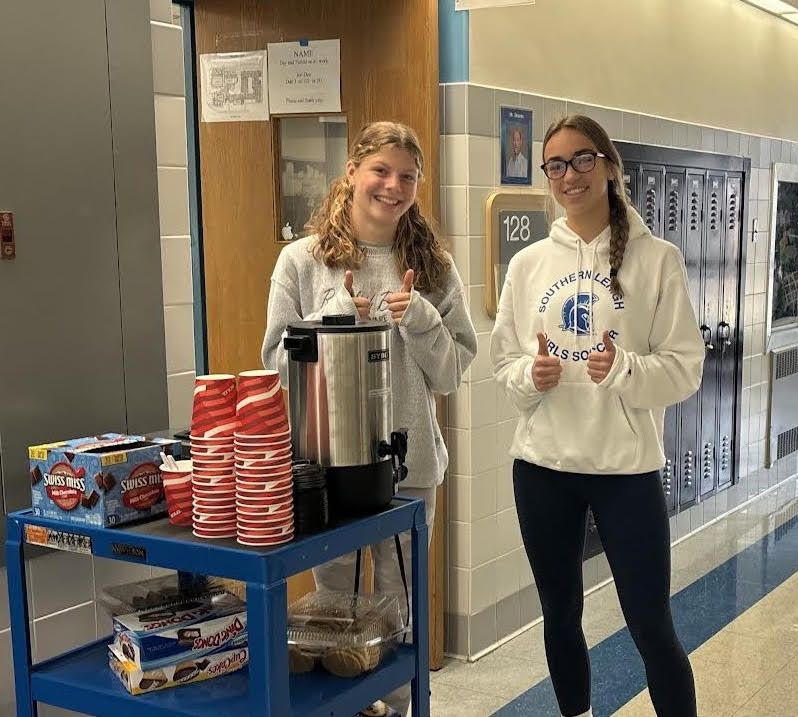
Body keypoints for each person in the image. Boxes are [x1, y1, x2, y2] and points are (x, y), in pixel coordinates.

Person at [490, 114, 703, 717]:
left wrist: (627, 369)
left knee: (650, 621)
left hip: (626, 470)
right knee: (560, 612)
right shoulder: (528, 264)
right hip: (543, 468)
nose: (569, 175)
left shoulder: (657, 258)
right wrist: (531, 377)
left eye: (582, 159)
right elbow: (504, 365)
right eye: (555, 164)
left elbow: (685, 367)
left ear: (609, 166)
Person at [262, 121, 477, 717]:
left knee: (398, 601)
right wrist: (334, 317)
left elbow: (453, 371)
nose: (393, 186)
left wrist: (422, 320)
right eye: (381, 170)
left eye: (407, 176)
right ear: (352, 172)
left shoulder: (434, 268)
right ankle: (342, 707)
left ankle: (397, 706)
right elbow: (276, 364)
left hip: (408, 466)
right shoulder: (302, 263)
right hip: (323, 465)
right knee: (329, 599)